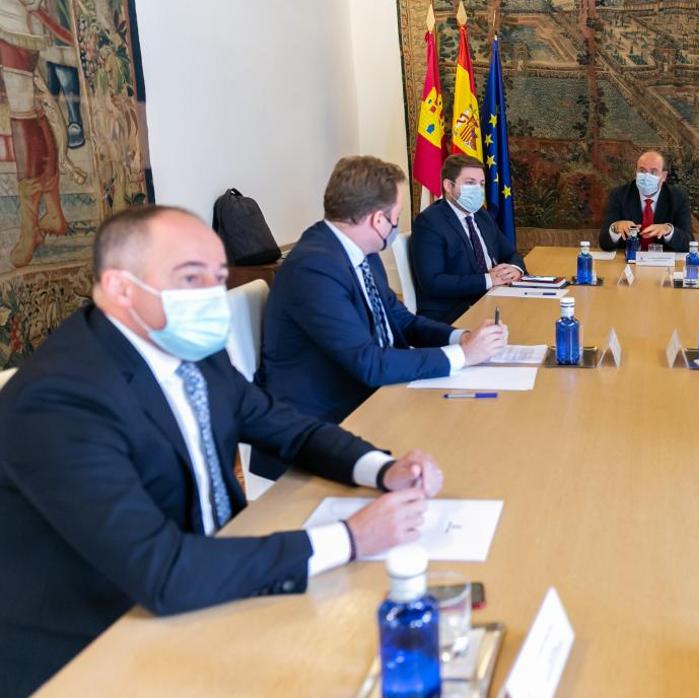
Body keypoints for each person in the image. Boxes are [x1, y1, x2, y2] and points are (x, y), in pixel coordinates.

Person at [0, 206, 445, 697]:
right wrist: (350, 539)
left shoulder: (189, 347)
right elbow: (163, 571)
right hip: (98, 644)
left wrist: (382, 468)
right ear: (122, 288)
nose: (211, 297)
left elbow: (286, 427)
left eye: (217, 277)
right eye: (191, 278)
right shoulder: (61, 399)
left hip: (212, 587)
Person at [257, 156, 505, 479]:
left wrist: (461, 338)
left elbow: (401, 320)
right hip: (326, 425)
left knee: (475, 436)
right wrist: (462, 357)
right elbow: (370, 364)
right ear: (378, 220)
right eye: (397, 218)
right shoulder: (313, 268)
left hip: (377, 397)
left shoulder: (361, 252)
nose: (397, 227)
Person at [410, 154, 528, 323]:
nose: (478, 190)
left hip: (493, 298)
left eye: (481, 184)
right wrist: (488, 280)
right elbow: (433, 283)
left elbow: (510, 253)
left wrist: (515, 269)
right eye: (470, 183)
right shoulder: (429, 222)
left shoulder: (481, 214)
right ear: (449, 186)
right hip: (453, 312)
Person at [598, 150, 693, 253]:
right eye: (642, 171)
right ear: (636, 172)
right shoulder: (620, 195)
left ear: (663, 176)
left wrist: (669, 231)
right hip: (628, 263)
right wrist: (615, 228)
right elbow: (604, 244)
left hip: (664, 264)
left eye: (653, 172)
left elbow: (689, 244)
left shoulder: (677, 197)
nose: (646, 176)